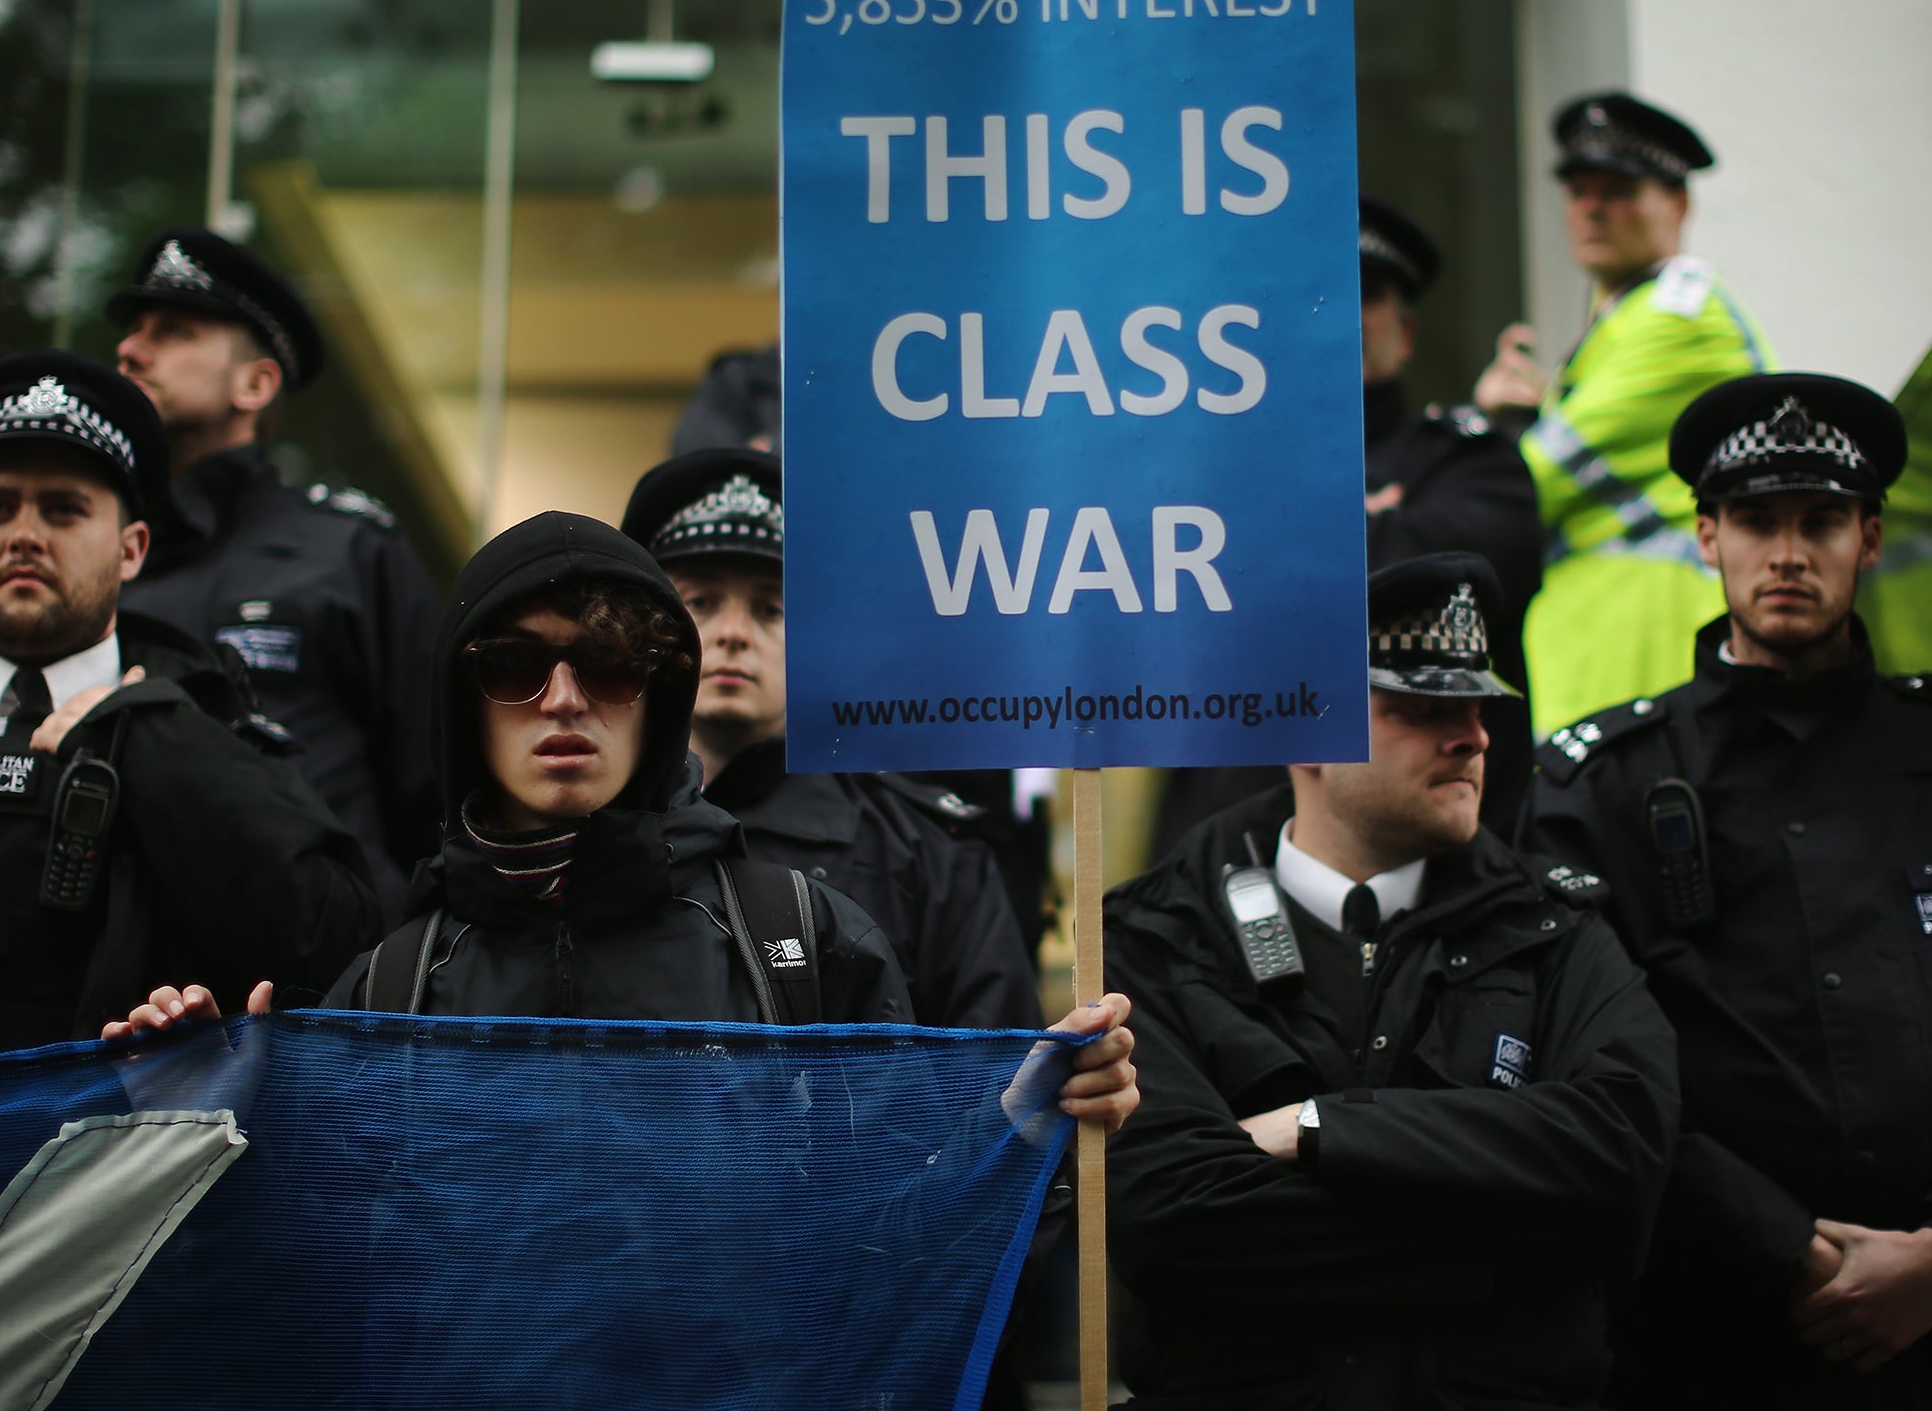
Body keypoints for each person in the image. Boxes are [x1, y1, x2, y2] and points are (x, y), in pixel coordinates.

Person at [108, 510, 1137, 1134]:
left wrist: (1020, 1124)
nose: (562, 700)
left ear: (656, 695)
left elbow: (894, 1241)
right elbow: (331, 1275)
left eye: (604, 666)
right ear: (464, 706)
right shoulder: (391, 982)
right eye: (515, 666)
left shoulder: (805, 947)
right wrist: (212, 1123)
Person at [1105, 552, 1677, 1409]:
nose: (1475, 736)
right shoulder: (1158, 937)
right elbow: (1171, 1219)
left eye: (1477, 706)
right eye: (1425, 707)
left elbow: (1622, 1159)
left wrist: (1319, 1127)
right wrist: (1516, 1233)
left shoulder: (1554, 931)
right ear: (1307, 733)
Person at [1521, 372, 1932, 1408]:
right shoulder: (1599, 781)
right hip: (1712, 1307)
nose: (1786, 554)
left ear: (1867, 541)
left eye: (1819, 522)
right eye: (1754, 521)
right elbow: (1579, 1062)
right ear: (1706, 539)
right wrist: (1781, 1244)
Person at [0, 350, 379, 1061]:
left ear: (131, 549)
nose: (26, 533)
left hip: (102, 1155)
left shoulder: (202, 718)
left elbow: (334, 941)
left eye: (64, 509)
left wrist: (159, 741)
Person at [1150, 196, 1545, 860]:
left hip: (1439, 877)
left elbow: (1438, 580)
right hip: (1234, 858)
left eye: (1364, 294)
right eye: (1319, 292)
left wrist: (1281, 536)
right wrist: (1367, 523)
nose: (1339, 312)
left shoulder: (1472, 460)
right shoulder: (1215, 466)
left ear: (1406, 332)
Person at [619, 449, 1040, 1029]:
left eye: (772, 608)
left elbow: (995, 1097)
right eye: (700, 603)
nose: (734, 635)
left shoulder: (928, 857)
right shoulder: (583, 831)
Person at [109, 227, 440, 923]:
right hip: (134, 995)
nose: (130, 351)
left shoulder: (350, 549)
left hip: (322, 990)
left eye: (172, 332)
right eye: (134, 331)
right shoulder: (105, 556)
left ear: (256, 383)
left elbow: (436, 798)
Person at [1474, 91, 1775, 735]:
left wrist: (1497, 434)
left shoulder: (1681, 322)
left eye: (1618, 190)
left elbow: (1530, 485)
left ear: (1679, 203)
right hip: (1606, 660)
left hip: (1647, 659)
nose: (1592, 208)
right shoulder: (1626, 318)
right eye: (1579, 190)